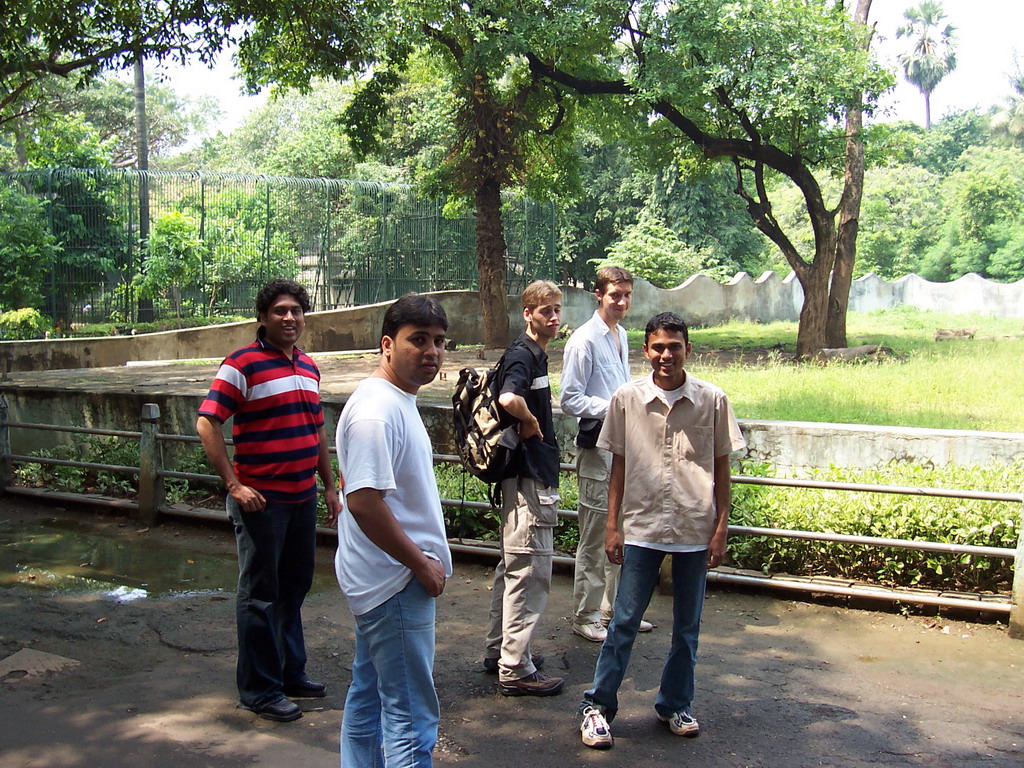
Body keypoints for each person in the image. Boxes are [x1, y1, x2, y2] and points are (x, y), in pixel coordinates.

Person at [577, 312, 746, 749]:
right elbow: (618, 466)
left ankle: (675, 704)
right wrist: (612, 526)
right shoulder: (626, 399)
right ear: (646, 350)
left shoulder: (713, 400)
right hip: (642, 525)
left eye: (674, 346)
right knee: (625, 622)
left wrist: (721, 527)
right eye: (658, 347)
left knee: (687, 627)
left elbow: (723, 469)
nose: (666, 355)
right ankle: (597, 707)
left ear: (689, 349)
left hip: (694, 526)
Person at [196, 278, 341, 723]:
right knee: (260, 594)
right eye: (279, 310)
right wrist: (234, 484)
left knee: (293, 589)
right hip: (262, 502)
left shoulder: (308, 367)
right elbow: (207, 422)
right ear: (263, 317)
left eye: (296, 310)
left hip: (301, 498)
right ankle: (259, 690)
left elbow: (316, 430)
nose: (289, 317)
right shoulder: (242, 364)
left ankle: (289, 672)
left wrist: (330, 486)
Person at [334, 293, 453, 767]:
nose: (432, 352)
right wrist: (419, 563)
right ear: (388, 344)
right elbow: (363, 502)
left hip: (383, 581)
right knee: (410, 718)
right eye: (418, 340)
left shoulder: (393, 400)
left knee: (369, 697)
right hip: (394, 584)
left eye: (440, 342)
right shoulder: (376, 412)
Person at [559, 265, 653, 643]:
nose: (622, 302)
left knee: (623, 531)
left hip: (623, 447)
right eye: (616, 294)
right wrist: (615, 407)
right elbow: (569, 398)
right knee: (596, 534)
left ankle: (614, 609)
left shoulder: (621, 335)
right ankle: (586, 614)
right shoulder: (583, 340)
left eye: (627, 295)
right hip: (597, 446)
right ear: (598, 294)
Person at [483, 280, 566, 696]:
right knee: (529, 569)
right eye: (545, 310)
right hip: (530, 476)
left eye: (557, 309)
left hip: (524, 476)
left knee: (512, 564)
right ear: (527, 313)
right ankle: (514, 668)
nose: (553, 317)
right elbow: (508, 399)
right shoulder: (523, 354)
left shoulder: (533, 353)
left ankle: (500, 649)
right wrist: (531, 424)